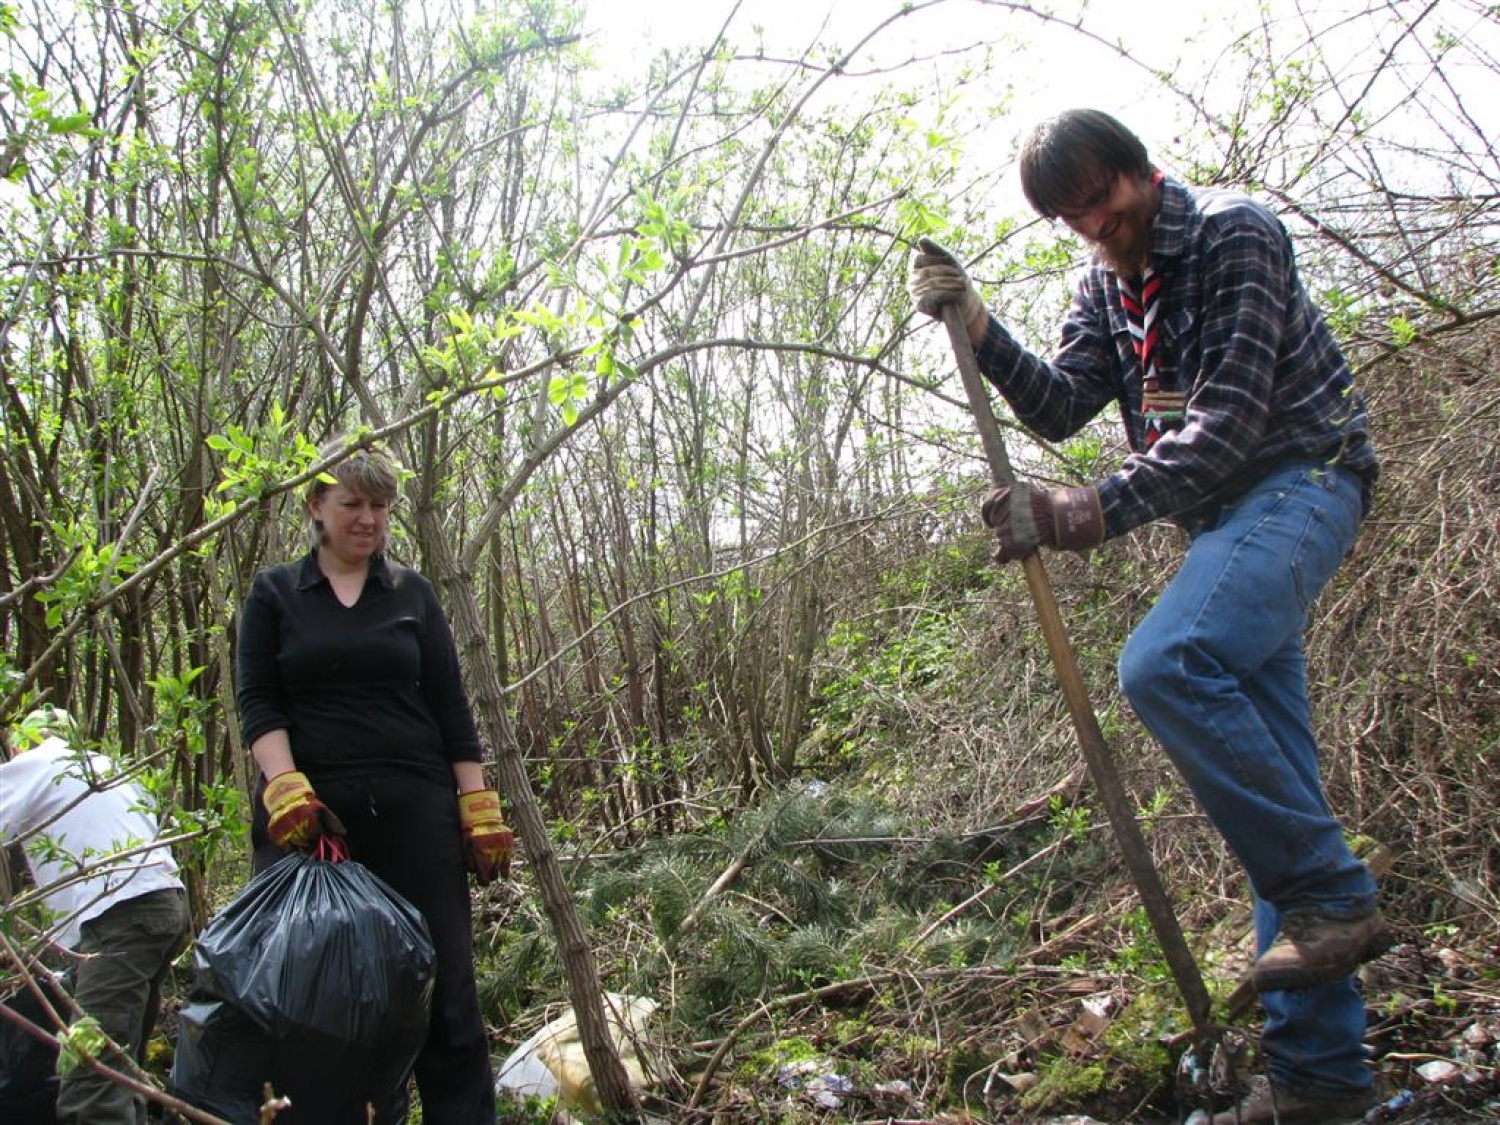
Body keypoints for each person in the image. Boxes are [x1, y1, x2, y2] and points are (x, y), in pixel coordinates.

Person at [909, 109, 1390, 1125]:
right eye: (1072, 215)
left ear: (1138, 169)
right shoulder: (1104, 287)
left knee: (1165, 663)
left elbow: (1226, 428)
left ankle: (1336, 894)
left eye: (1102, 195)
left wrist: (1078, 511)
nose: (1097, 223)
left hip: (1302, 480)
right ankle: (1323, 1081)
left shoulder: (1234, 233)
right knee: (1279, 805)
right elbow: (1061, 403)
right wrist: (982, 328)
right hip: (1224, 527)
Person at [235, 441, 514, 1124]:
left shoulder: (412, 592)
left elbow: (450, 704)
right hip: (314, 822)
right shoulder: (275, 593)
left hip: (416, 814)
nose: (368, 518)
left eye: (380, 506)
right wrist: (285, 786)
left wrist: (475, 802)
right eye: (352, 503)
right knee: (317, 993)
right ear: (316, 507)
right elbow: (259, 701)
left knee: (445, 988)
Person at [0, 704, 191, 1125]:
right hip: (164, 906)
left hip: (123, 914)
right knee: (120, 1066)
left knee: (91, 1079)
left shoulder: (38, 763)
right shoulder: (103, 767)